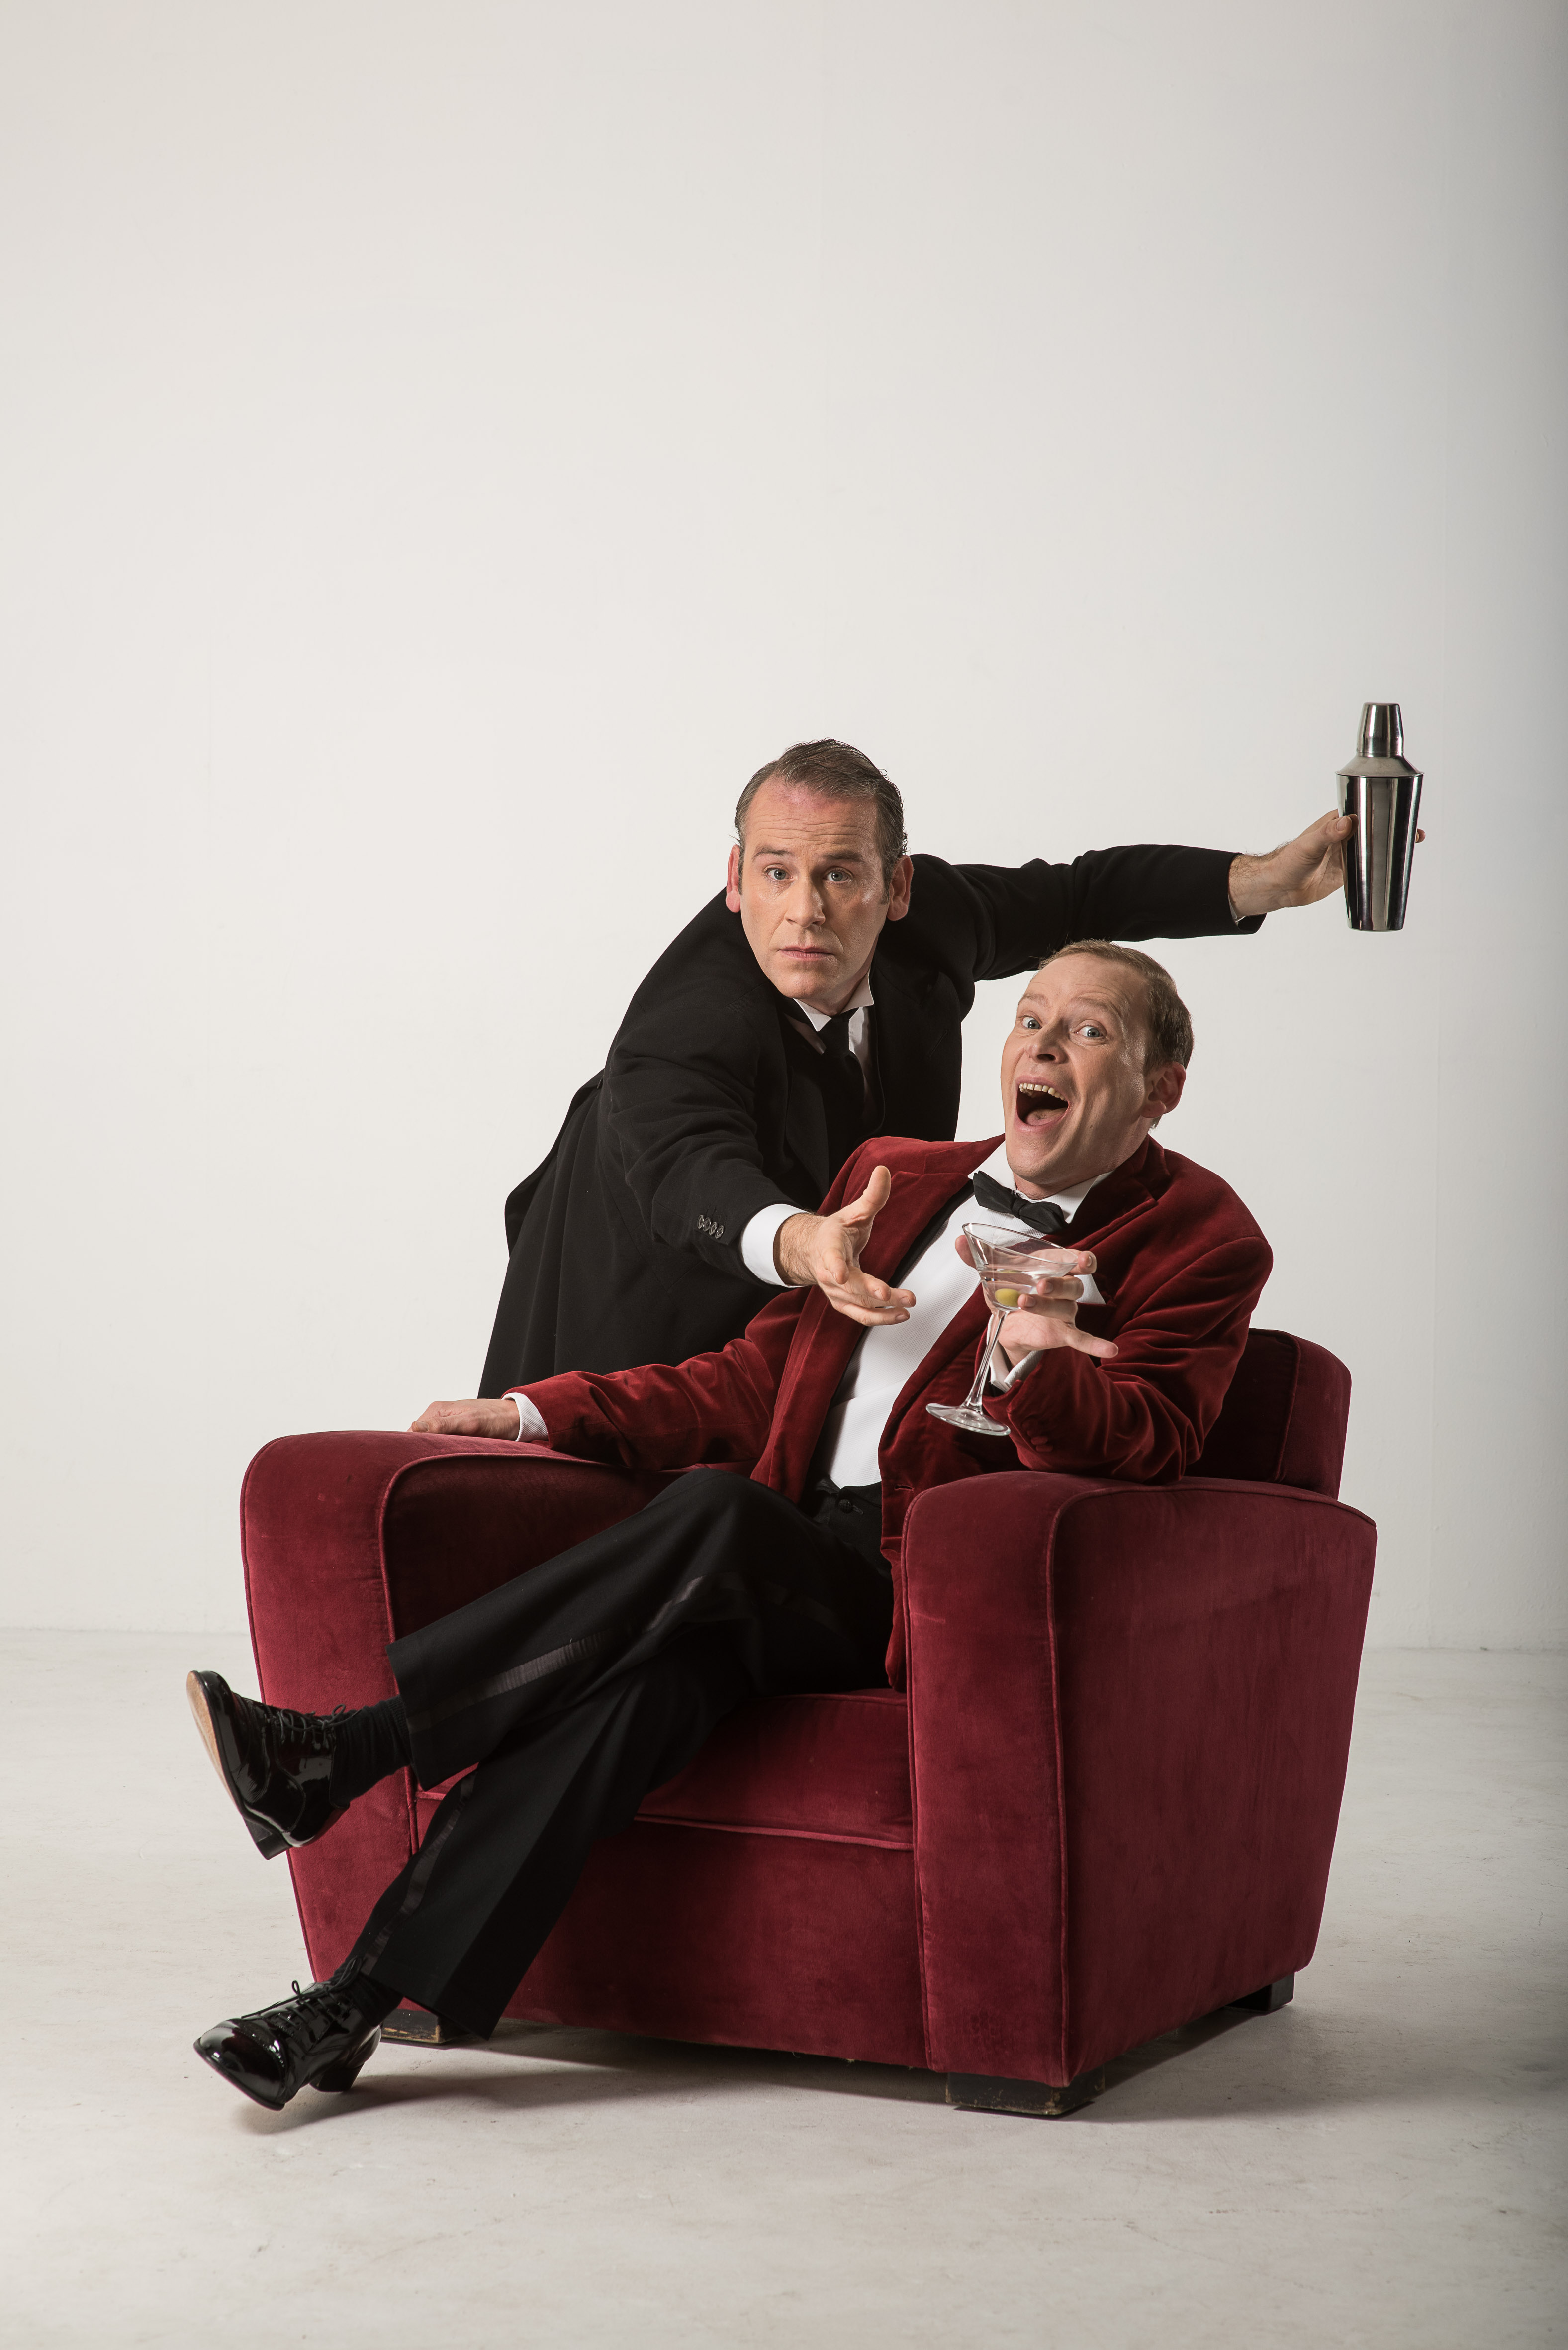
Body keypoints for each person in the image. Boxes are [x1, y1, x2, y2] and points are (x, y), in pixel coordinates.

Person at [189, 940, 1271, 2111]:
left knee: (719, 1511)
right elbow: (751, 1381)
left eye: (1089, 1030)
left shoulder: (1200, 1237)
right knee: (627, 1695)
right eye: (1030, 1018)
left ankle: (351, 1749)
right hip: (764, 1560)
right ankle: (348, 2007)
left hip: (918, 1591)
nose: (1043, 1044)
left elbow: (1154, 1437)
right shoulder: (892, 1179)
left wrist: (1037, 1367)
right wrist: (535, 1412)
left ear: (1160, 1087)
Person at [478, 737, 1342, 1389]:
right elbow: (684, 1168)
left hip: (806, 1322)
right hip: (632, 1293)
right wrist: (800, 1239)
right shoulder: (685, 1020)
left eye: (839, 875)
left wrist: (1261, 881)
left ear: (895, 886)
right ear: (736, 877)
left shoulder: (930, 924)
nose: (805, 911)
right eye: (776, 873)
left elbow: (1077, 894)